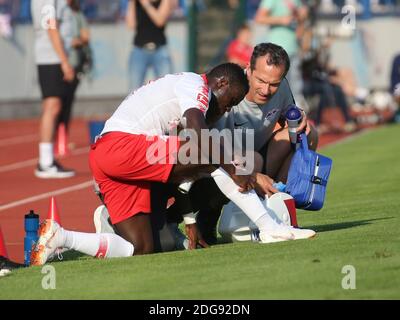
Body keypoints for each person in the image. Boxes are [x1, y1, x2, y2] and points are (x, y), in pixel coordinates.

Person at [167, 42, 319, 245]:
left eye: (274, 83)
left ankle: (278, 205)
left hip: (252, 156)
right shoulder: (227, 89)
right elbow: (199, 143)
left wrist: (298, 118)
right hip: (216, 164)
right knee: (250, 160)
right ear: (249, 69)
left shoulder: (282, 88)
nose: (266, 90)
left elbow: (287, 115)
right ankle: (208, 218)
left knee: (309, 135)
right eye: (261, 80)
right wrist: (251, 174)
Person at [31, 0, 75, 178]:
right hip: (50, 57)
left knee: (54, 106)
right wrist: (64, 61)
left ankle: (47, 159)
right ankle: (45, 162)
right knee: (52, 106)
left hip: (52, 55)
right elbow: (51, 26)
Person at [254, 0, 308, 110]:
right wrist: (280, 20)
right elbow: (259, 18)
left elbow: (300, 24)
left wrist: (302, 18)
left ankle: (294, 110)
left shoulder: (297, 2)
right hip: (277, 50)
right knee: (276, 83)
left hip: (293, 48)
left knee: (295, 83)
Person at [56, 0, 91, 141]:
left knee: (68, 101)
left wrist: (71, 41)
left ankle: (63, 136)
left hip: (74, 62)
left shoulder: (78, 14)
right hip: (57, 63)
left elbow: (85, 36)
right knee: (56, 102)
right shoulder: (55, 12)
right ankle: (56, 136)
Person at [125, 0, 177, 90]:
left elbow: (160, 21)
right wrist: (132, 3)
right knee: (133, 91)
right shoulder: (136, 3)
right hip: (139, 49)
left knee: (166, 88)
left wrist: (145, 3)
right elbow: (130, 25)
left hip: (160, 49)